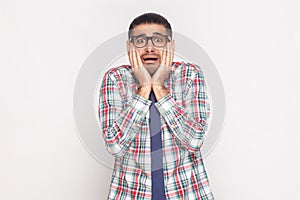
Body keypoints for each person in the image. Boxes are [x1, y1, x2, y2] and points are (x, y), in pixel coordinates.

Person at [99, 12, 214, 200]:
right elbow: (114, 146)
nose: (150, 48)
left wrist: (159, 87)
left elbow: (195, 141)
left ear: (171, 46)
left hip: (186, 194)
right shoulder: (115, 79)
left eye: (158, 40)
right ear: (129, 47)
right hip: (132, 194)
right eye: (141, 41)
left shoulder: (189, 75)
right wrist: (144, 88)